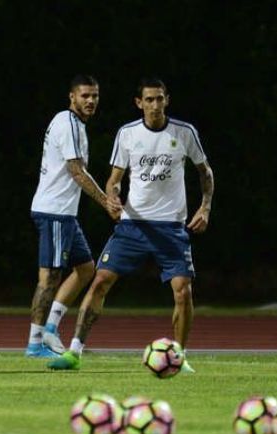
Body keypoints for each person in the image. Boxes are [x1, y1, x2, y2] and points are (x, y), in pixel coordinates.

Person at [48, 77, 215, 371]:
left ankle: (179, 355)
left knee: (183, 290)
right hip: (133, 225)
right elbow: (114, 179)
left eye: (159, 99)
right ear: (139, 103)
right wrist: (112, 196)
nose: (154, 105)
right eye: (148, 100)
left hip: (171, 228)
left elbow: (205, 172)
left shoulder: (184, 132)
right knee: (100, 281)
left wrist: (205, 206)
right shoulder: (127, 133)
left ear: (167, 100)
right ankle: (74, 352)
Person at [26, 75, 122, 358]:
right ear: (72, 97)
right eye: (85, 96)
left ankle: (51, 330)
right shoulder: (67, 123)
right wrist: (106, 202)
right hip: (54, 211)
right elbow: (76, 171)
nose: (91, 101)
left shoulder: (75, 124)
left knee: (86, 269)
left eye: (94, 96)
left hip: (65, 212)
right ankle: (35, 343)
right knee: (49, 278)